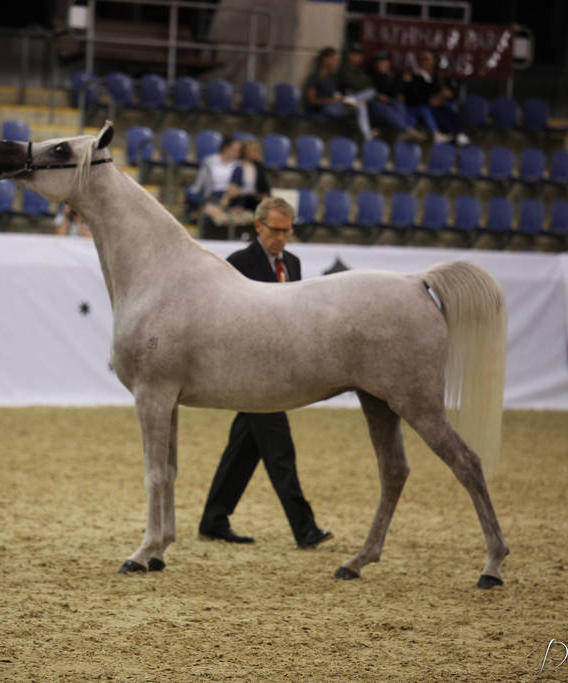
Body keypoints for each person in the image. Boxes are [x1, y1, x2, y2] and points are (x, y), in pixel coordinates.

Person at [198, 197, 332, 549]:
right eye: (276, 231)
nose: (283, 238)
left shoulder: (294, 263)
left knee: (245, 448)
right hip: (250, 372)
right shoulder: (238, 264)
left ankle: (214, 519)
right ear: (258, 226)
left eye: (288, 231)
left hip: (279, 372)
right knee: (279, 449)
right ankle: (305, 528)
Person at [200, 138, 270, 236]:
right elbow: (233, 186)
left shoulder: (257, 166)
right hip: (231, 196)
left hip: (248, 198)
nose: (257, 153)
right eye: (254, 150)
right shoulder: (237, 165)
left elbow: (264, 187)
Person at [303, 46, 372, 140]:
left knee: (363, 102)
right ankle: (367, 136)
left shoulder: (333, 78)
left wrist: (343, 100)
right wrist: (332, 100)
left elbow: (337, 95)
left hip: (337, 105)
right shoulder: (315, 78)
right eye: (333, 58)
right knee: (360, 106)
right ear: (325, 59)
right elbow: (311, 100)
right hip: (324, 108)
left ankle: (366, 135)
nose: (336, 61)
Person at [403, 50, 469, 145]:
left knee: (452, 113)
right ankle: (449, 135)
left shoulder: (438, 76)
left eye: (428, 59)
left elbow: (446, 92)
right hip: (421, 106)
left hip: (438, 104)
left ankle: (458, 134)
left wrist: (446, 95)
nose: (426, 62)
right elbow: (413, 95)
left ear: (434, 61)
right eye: (423, 59)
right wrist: (430, 100)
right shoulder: (416, 76)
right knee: (437, 113)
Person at [367, 51, 424, 140]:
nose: (382, 64)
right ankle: (408, 130)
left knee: (399, 104)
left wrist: (402, 84)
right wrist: (402, 82)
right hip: (374, 108)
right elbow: (387, 89)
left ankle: (403, 132)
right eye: (379, 62)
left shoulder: (392, 76)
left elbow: (395, 91)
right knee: (383, 107)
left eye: (384, 62)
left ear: (389, 63)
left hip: (390, 104)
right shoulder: (373, 75)